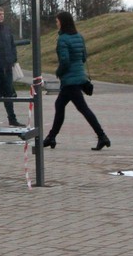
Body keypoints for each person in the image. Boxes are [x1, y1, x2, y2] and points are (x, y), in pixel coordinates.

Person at [44, 11, 110, 151]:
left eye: (57, 21)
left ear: (62, 22)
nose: (56, 24)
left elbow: (65, 61)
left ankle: (102, 136)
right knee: (60, 105)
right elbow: (84, 57)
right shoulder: (79, 36)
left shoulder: (63, 39)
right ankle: (51, 137)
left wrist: (59, 72)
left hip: (70, 80)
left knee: (82, 108)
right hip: (79, 76)